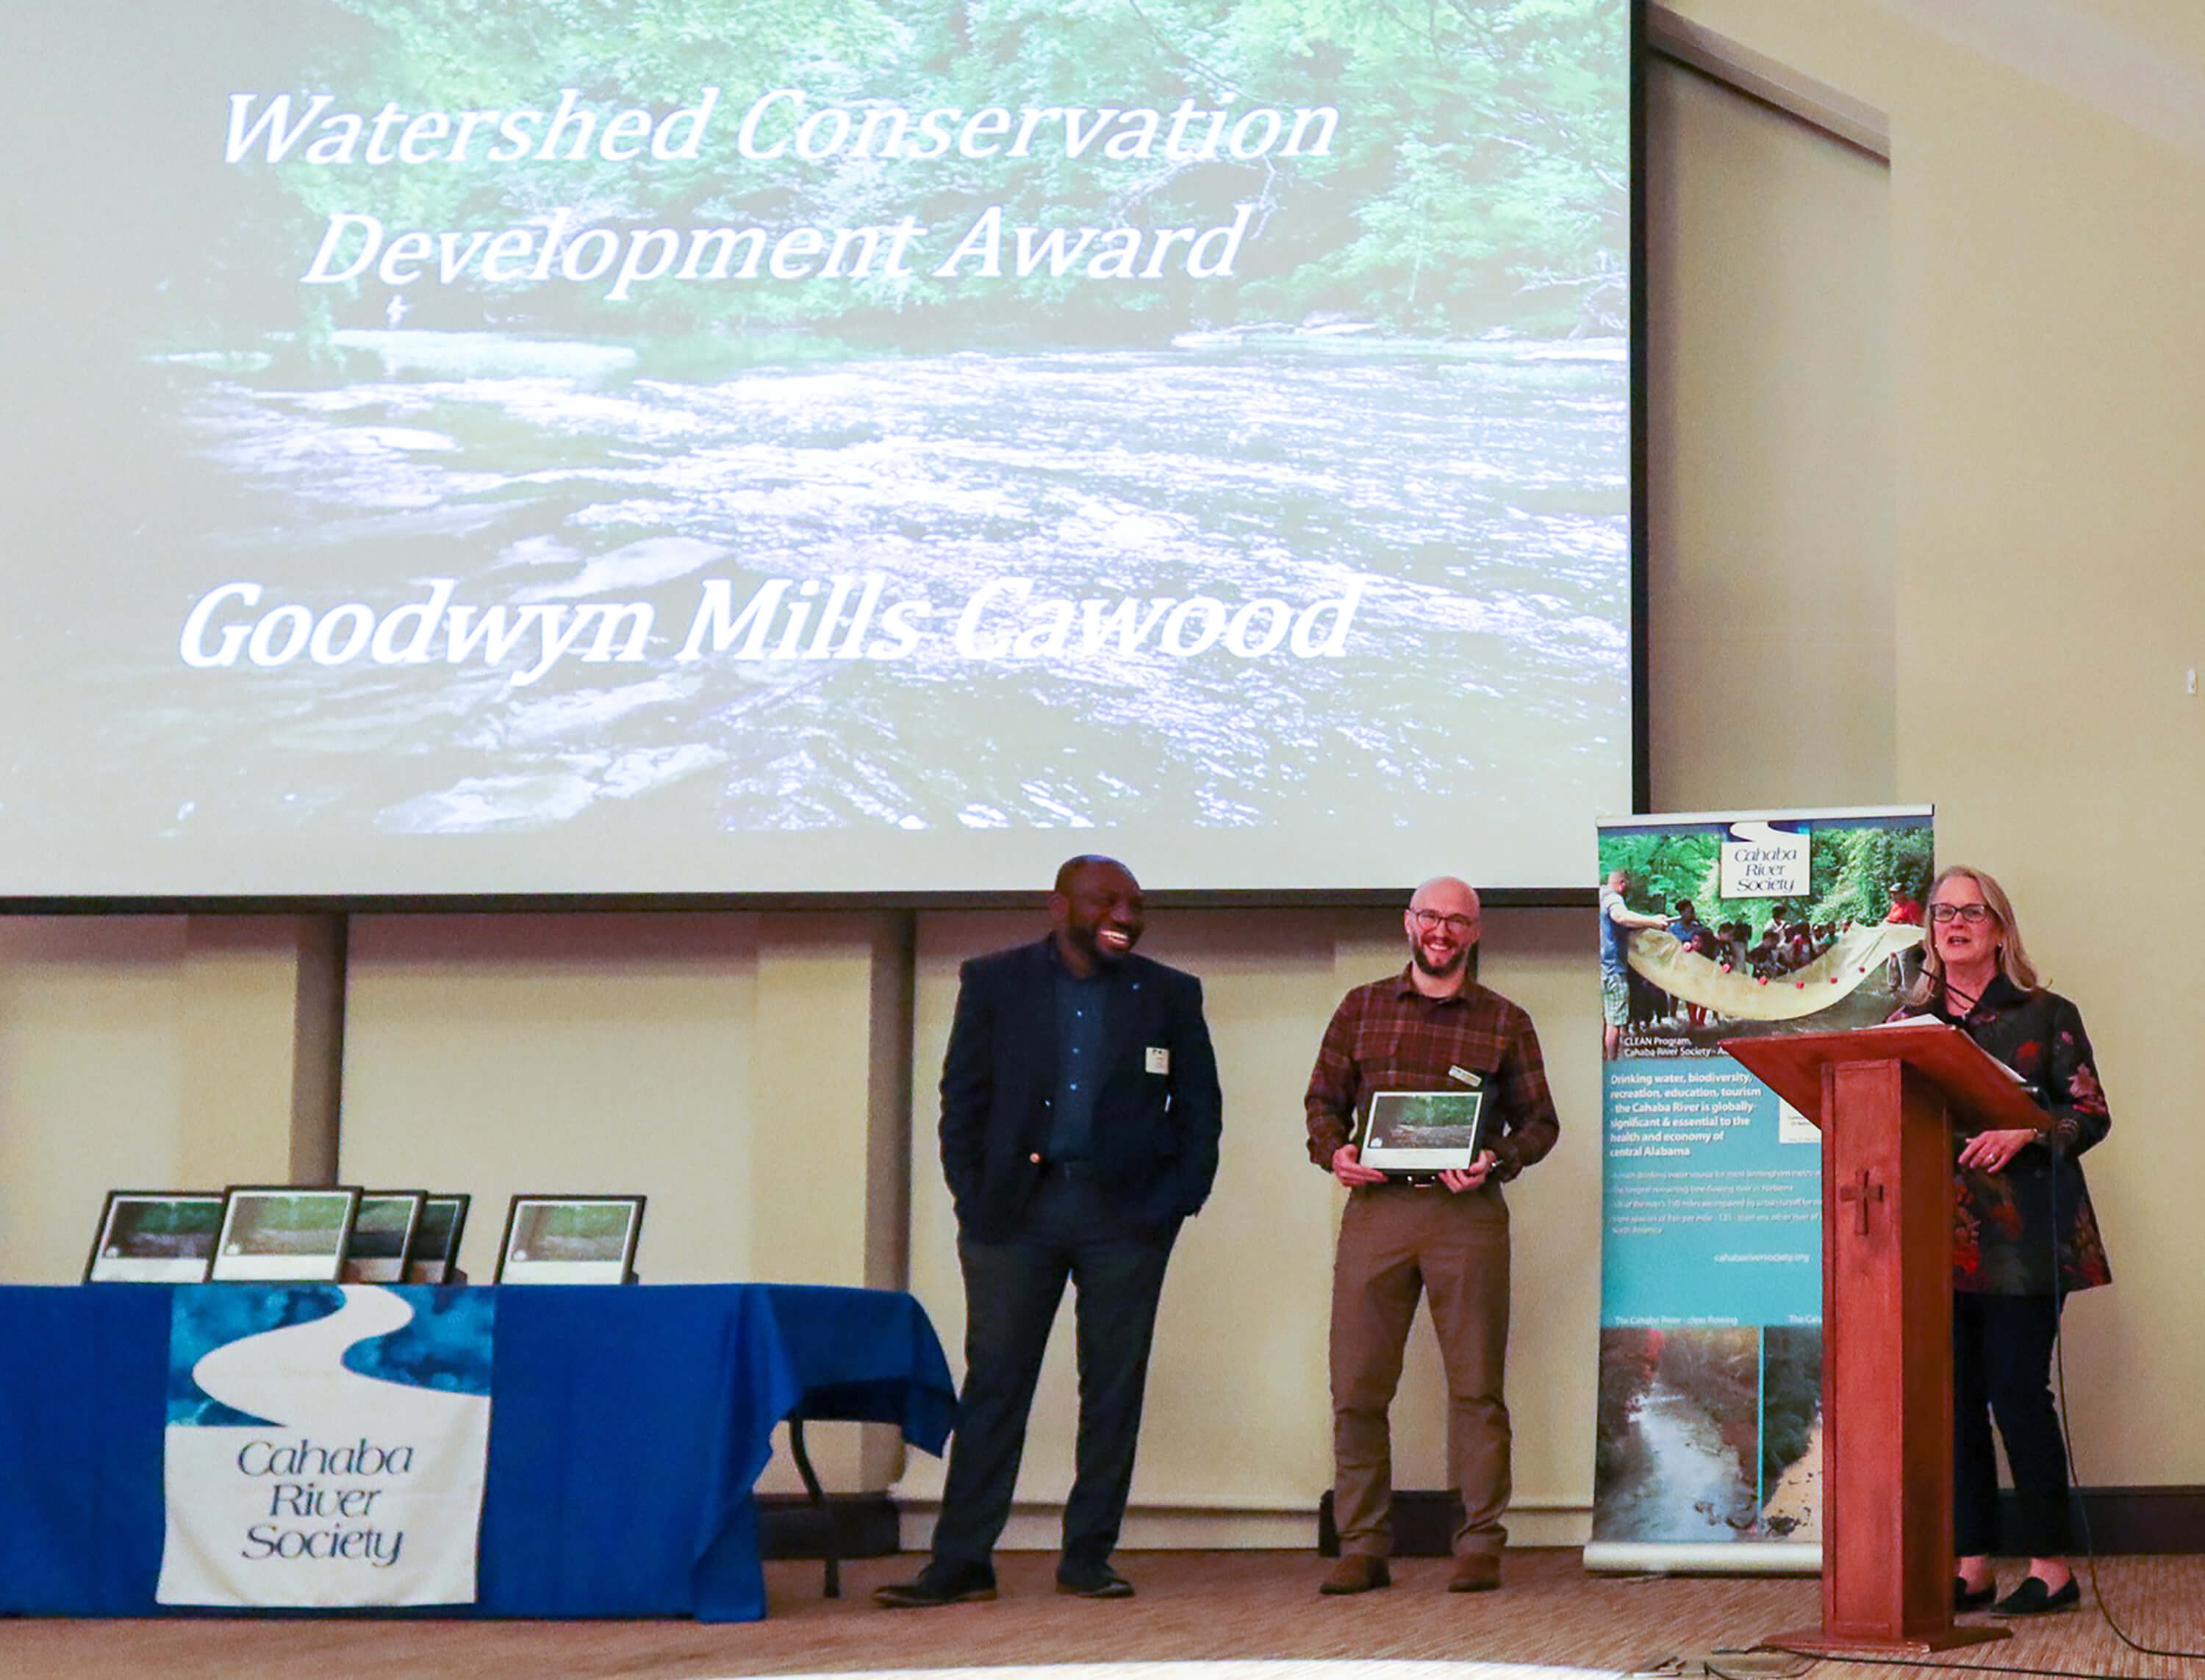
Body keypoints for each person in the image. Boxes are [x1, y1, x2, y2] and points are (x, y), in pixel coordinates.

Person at [875, 855, 1223, 1608]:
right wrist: (973, 1194)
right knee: (996, 1381)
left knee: (1113, 1389)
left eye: (1136, 904)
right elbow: (961, 1097)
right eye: (1108, 901)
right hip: (1014, 1216)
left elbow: (1200, 1107)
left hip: (1125, 1217)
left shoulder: (1169, 993)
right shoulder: (995, 981)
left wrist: (1178, 1201)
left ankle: (1088, 1556)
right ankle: (962, 1560)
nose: (1126, 916)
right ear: (1058, 904)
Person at [1305, 877, 1560, 1595]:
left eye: (1457, 920)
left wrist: (1495, 1159)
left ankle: (1479, 1542)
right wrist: (1336, 1153)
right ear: (1408, 924)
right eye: (1430, 917)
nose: (1441, 931)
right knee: (1356, 1387)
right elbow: (1322, 1102)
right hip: (1377, 1214)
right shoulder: (1360, 1009)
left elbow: (1541, 1123)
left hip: (1466, 1219)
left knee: (1477, 1388)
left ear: (1474, 933)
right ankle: (1362, 1545)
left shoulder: (1506, 1020)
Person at [1899, 866, 2110, 1618]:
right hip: (1935, 1238)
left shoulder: (2045, 1012)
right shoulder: (1909, 1023)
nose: (1954, 922)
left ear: (1999, 928)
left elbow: (2090, 1115)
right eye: (1942, 912)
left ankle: (2052, 1567)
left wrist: (2030, 1130)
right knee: (1954, 1404)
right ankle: (1974, 1564)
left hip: (2026, 1241)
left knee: (2016, 1396)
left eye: (1972, 911)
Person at [1599, 869, 1667, 1060]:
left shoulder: (1598, 896)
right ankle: (1612, 1063)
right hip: (1613, 970)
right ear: (1622, 883)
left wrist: (1648, 923)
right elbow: (1621, 917)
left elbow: (1621, 926)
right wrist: (1653, 921)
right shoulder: (1613, 898)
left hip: (1599, 968)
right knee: (1614, 1021)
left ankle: (1605, 1057)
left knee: (1605, 1018)